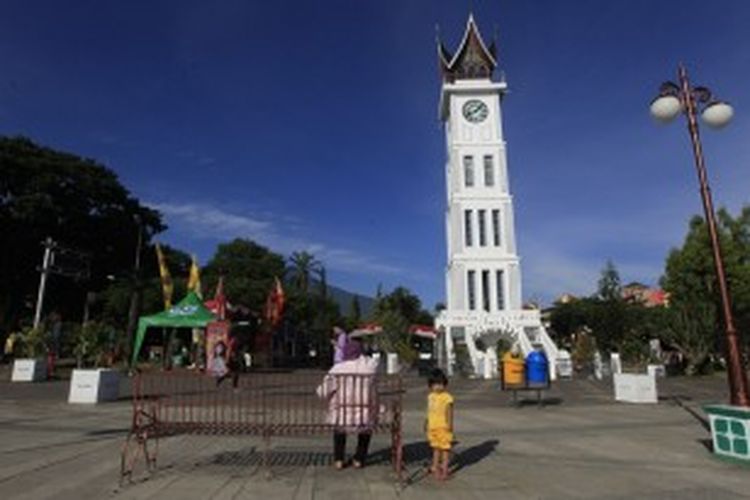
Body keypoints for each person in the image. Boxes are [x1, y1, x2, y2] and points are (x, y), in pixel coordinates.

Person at [317, 336, 378, 469]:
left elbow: (322, 392)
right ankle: (359, 459)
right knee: (366, 431)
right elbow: (374, 392)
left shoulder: (338, 369)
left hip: (342, 413)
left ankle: (338, 459)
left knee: (339, 426)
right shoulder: (370, 368)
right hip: (364, 415)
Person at [425, 368, 454, 480]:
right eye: (435, 384)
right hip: (433, 426)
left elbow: (449, 412)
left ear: (445, 384)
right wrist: (426, 421)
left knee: (445, 450)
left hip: (443, 427)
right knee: (435, 449)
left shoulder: (447, 397)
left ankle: (445, 470)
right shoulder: (431, 396)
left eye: (441, 384)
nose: (438, 387)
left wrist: (450, 425)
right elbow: (429, 410)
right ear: (431, 385)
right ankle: (435, 467)